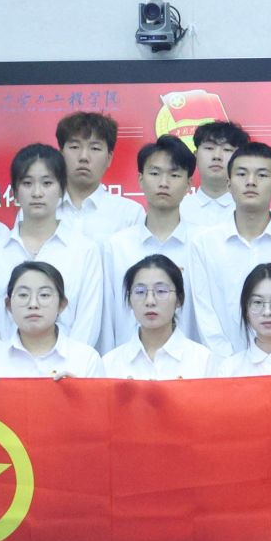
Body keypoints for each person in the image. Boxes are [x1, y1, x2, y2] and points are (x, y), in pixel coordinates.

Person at [0, 144, 105, 349]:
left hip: (68, 366)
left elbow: (87, 323)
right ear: (15, 192)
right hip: (3, 366)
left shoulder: (85, 251)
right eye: (27, 183)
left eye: (47, 183)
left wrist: (66, 362)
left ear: (62, 189)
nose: (37, 193)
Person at [190, 143, 271, 354]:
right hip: (224, 366)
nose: (251, 182)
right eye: (241, 174)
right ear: (229, 184)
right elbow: (204, 313)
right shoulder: (204, 244)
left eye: (262, 175)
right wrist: (229, 363)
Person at [102, 135, 200, 350]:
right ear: (140, 179)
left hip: (191, 364)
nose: (163, 183)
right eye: (155, 173)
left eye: (174, 175)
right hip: (128, 363)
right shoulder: (117, 247)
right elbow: (108, 317)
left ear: (189, 184)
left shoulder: (202, 245)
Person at [0, 262, 102, 378]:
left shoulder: (86, 360)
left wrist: (80, 390)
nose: (33, 304)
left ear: (61, 305)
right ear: (9, 305)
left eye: (44, 295)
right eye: (23, 295)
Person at [100, 254, 213, 379]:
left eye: (161, 291)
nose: (150, 301)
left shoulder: (203, 361)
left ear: (179, 299)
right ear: (129, 300)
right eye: (140, 292)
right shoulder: (109, 364)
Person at [55, 110, 148, 241]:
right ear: (61, 154)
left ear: (109, 158)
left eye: (95, 148)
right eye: (75, 147)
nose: (83, 157)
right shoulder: (40, 209)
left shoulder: (130, 214)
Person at [180, 120, 251, 229]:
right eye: (209, 148)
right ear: (196, 155)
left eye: (227, 149)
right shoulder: (177, 209)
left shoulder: (252, 212)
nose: (217, 156)